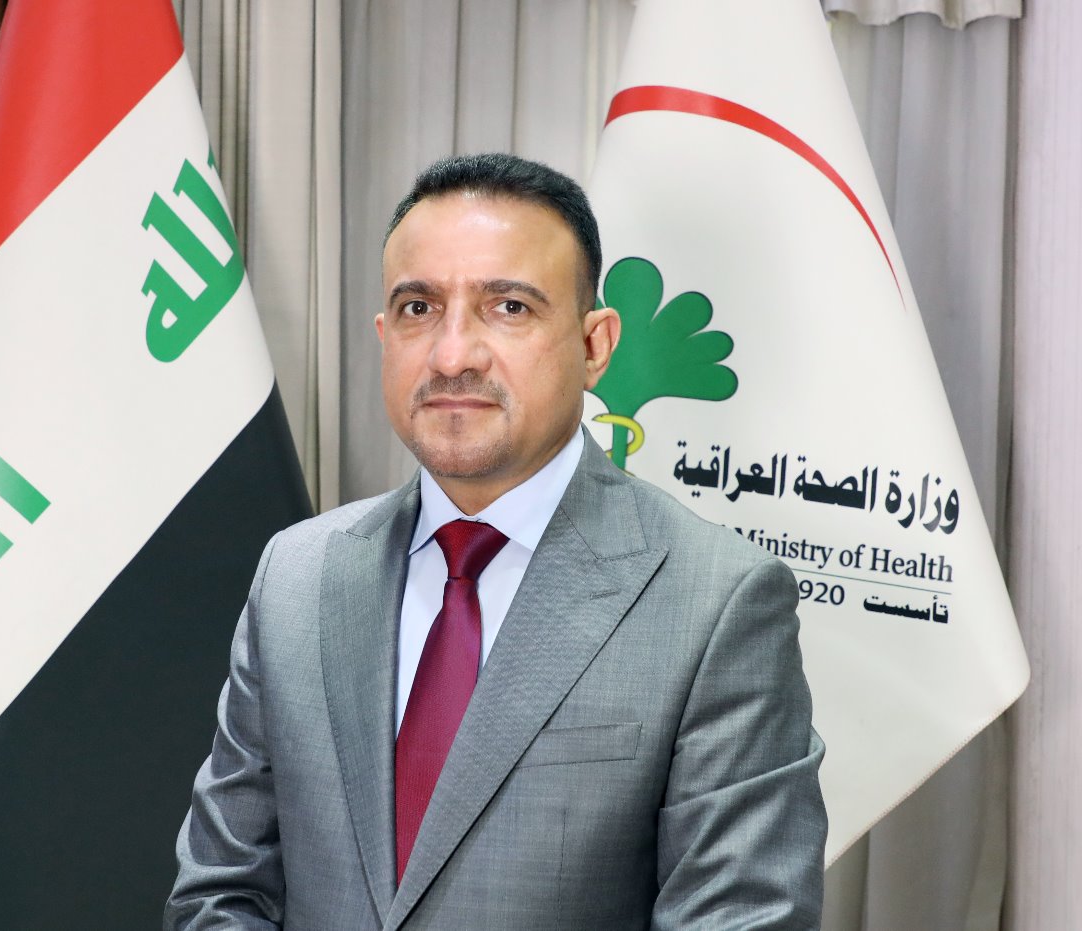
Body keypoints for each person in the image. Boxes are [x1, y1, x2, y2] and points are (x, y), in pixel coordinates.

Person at [164, 153, 826, 930]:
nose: (452, 355)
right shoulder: (296, 576)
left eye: (508, 307)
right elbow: (221, 892)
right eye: (418, 308)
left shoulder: (718, 602)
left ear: (595, 345)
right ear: (384, 336)